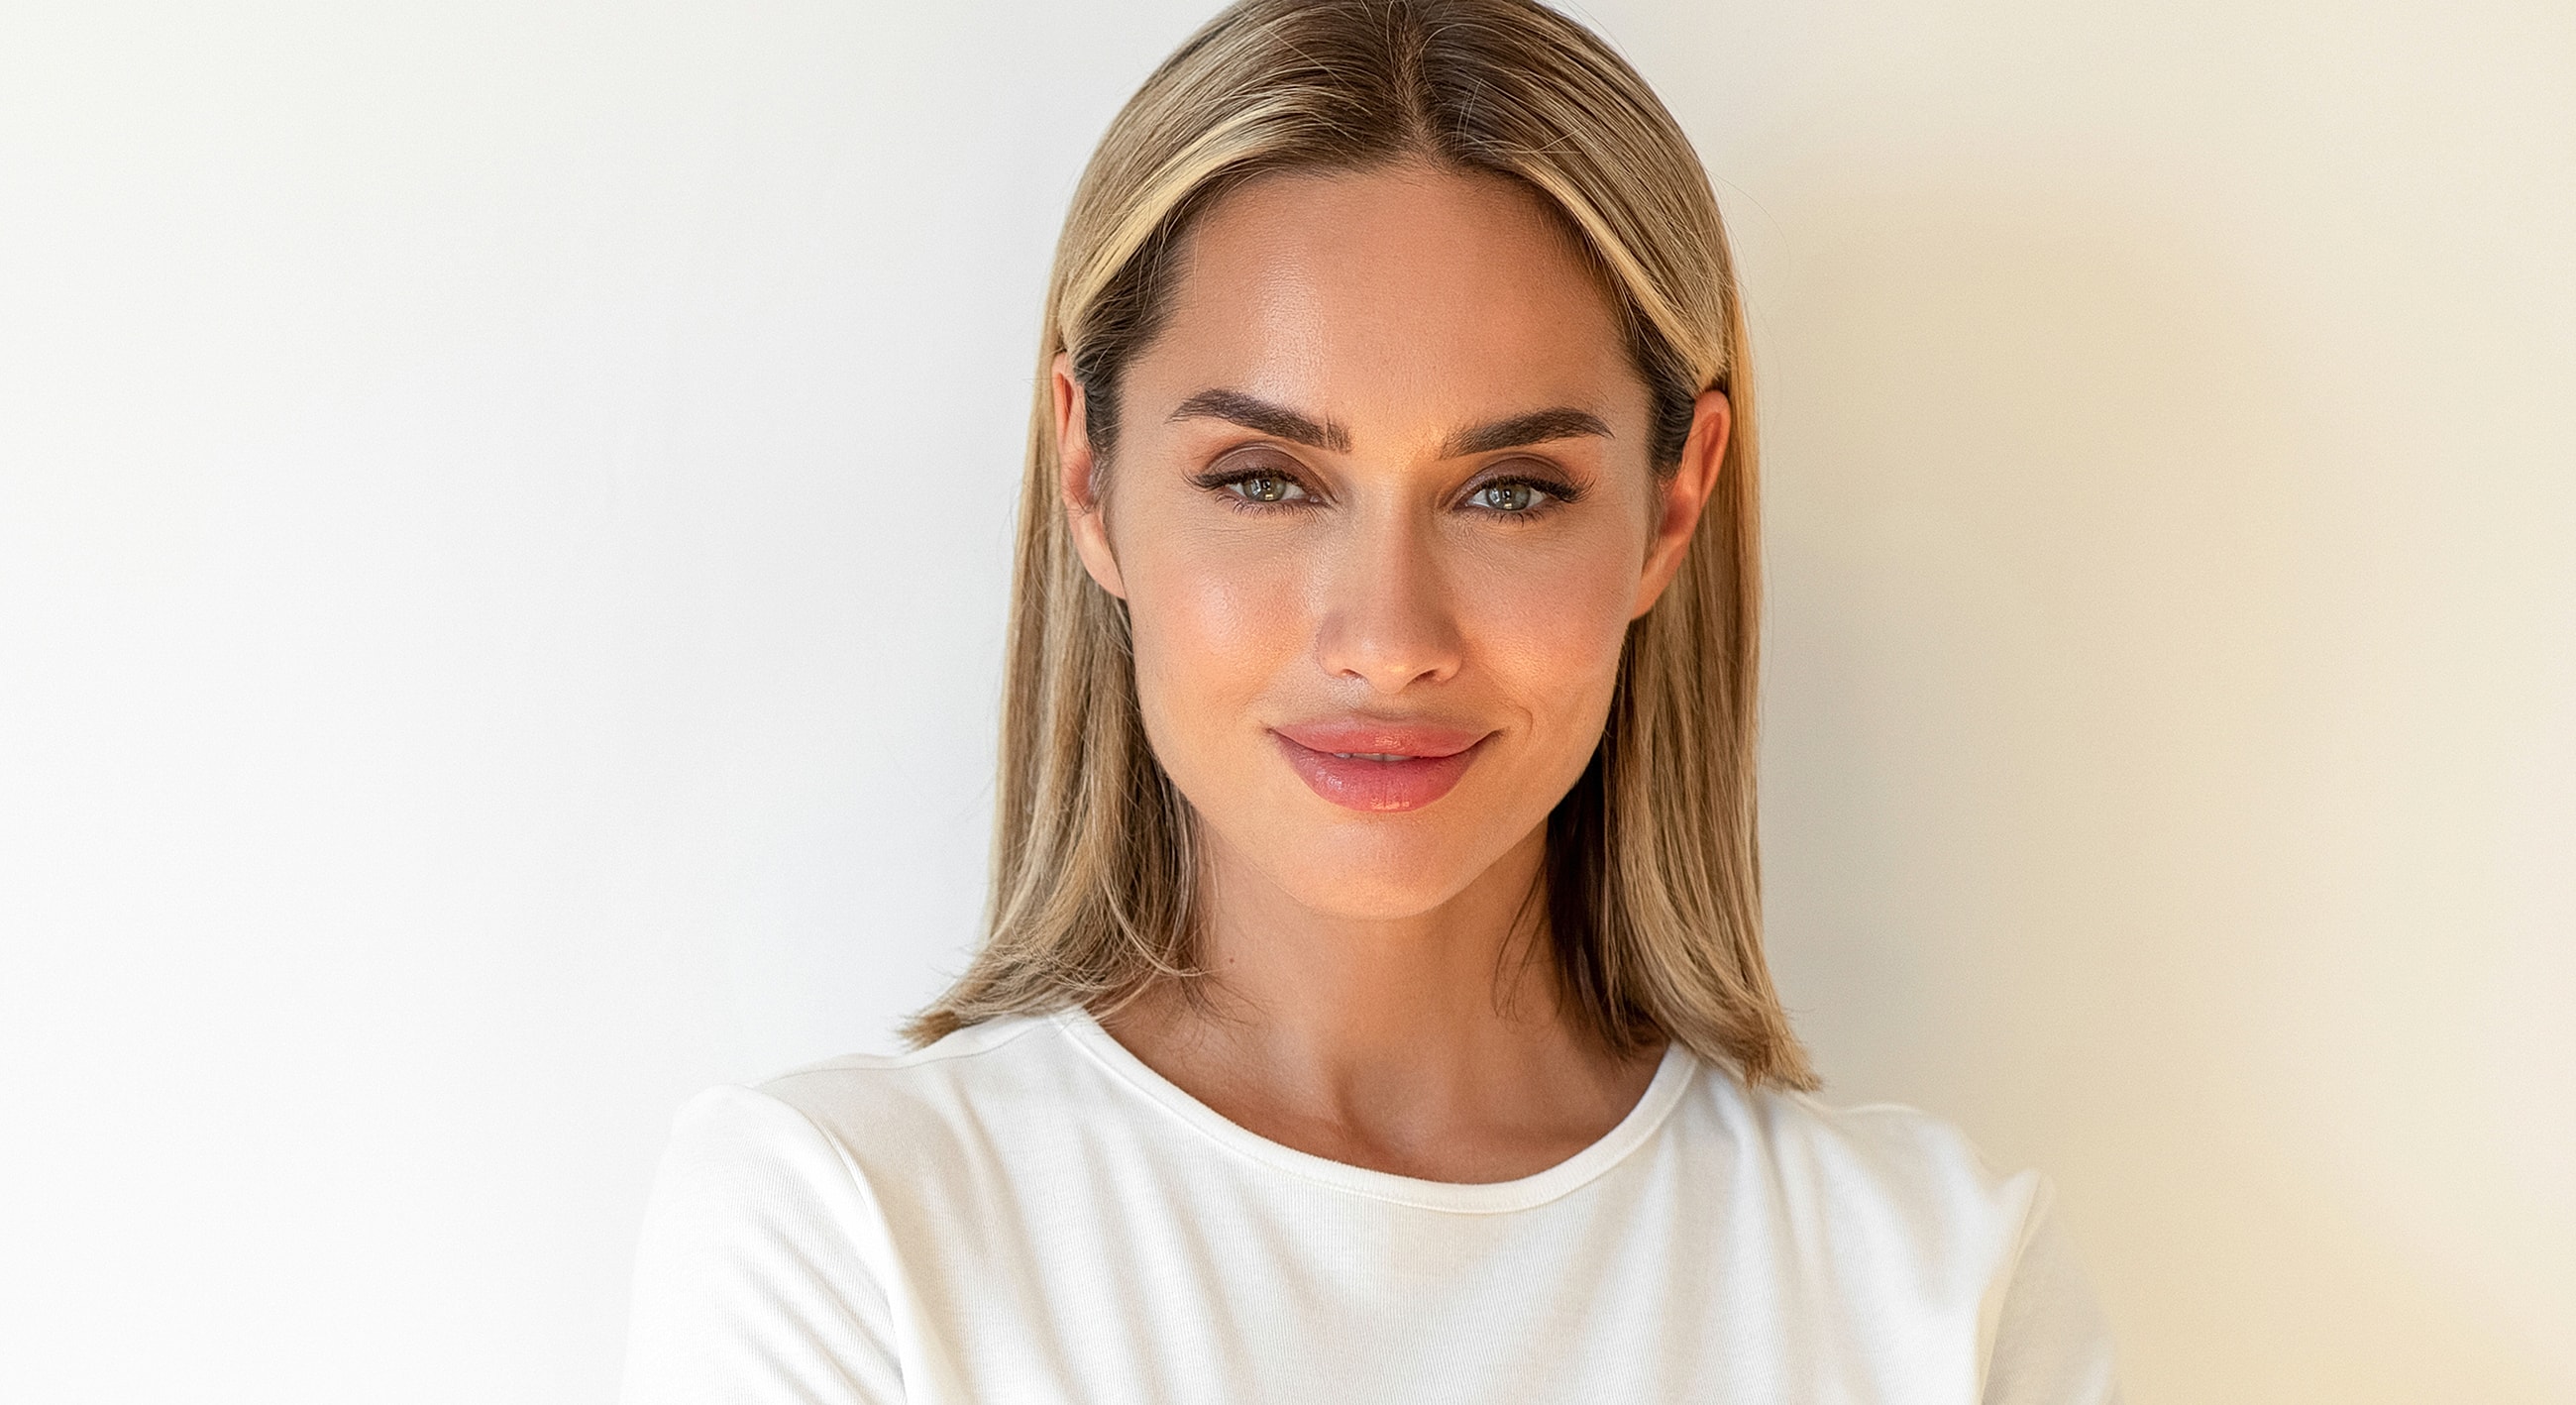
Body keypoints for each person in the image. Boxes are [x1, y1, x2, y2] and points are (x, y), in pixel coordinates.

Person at [620, 1, 2121, 1400]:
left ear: (1675, 506)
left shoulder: (1938, 1289)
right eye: (1266, 480)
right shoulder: (849, 1233)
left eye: (1511, 490)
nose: (1389, 638)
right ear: (1089, 474)